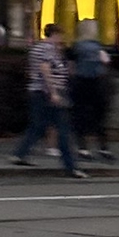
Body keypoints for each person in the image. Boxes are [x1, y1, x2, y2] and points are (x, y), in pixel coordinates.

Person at [12, 30, 77, 176]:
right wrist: (53, 91)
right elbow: (45, 67)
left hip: (38, 91)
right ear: (55, 35)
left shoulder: (36, 48)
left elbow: (33, 69)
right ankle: (71, 166)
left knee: (39, 125)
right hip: (48, 93)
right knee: (62, 128)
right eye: (60, 36)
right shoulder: (48, 48)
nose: (60, 40)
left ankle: (20, 153)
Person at [67, 16, 114, 170]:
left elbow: (71, 68)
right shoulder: (99, 47)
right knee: (99, 117)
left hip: (80, 85)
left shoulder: (76, 48)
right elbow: (106, 64)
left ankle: (83, 148)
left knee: (81, 116)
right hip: (98, 85)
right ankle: (103, 147)